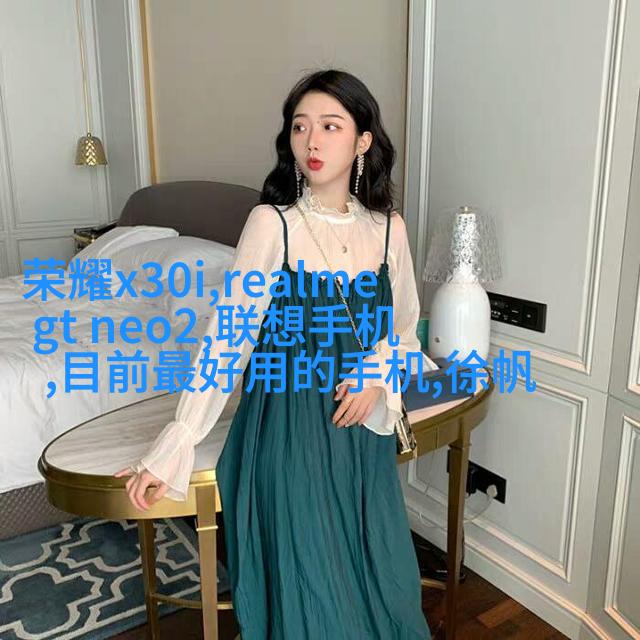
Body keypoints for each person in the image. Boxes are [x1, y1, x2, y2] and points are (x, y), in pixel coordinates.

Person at [115, 68, 434, 639]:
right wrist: (177, 442)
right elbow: (226, 341)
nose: (312, 141)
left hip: (359, 435)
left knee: (376, 577)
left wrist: (375, 377)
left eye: (330, 126)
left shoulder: (390, 230)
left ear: (362, 140)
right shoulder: (272, 224)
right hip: (288, 428)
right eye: (300, 126)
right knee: (310, 587)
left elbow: (406, 332)